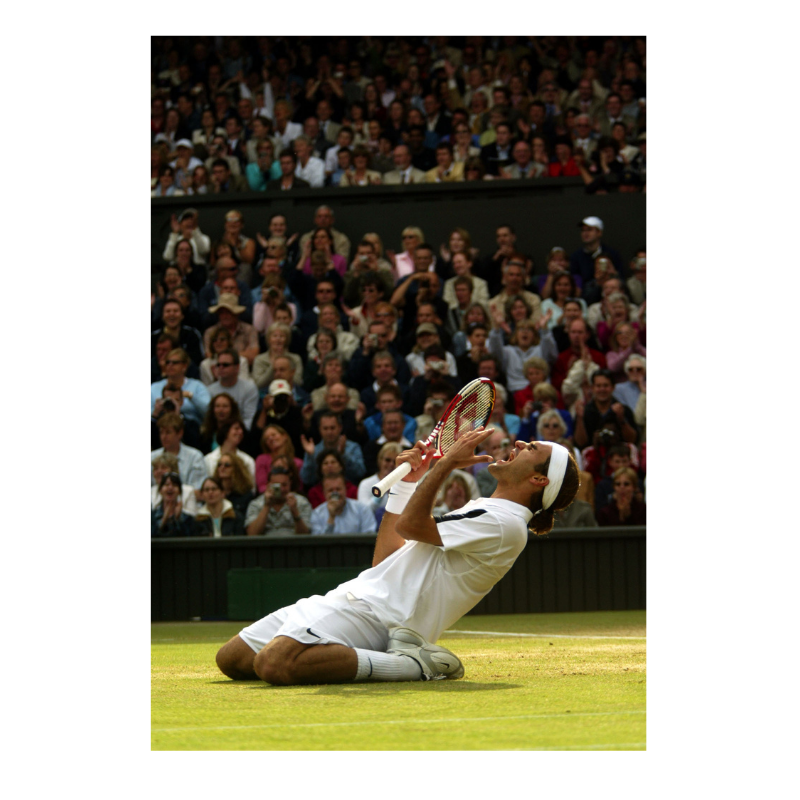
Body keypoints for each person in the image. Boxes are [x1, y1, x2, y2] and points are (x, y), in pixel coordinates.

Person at [215, 427, 580, 684]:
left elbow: (411, 525)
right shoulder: (488, 510)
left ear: (539, 480)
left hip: (386, 618)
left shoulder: (505, 523)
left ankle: (411, 665)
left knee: (275, 664)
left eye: (531, 448)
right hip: (357, 596)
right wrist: (408, 482)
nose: (518, 442)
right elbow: (389, 554)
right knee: (231, 659)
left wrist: (441, 467)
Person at [573, 370, 639, 450]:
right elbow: (580, 443)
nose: (602, 389)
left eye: (606, 385)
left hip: (619, 457)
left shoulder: (624, 410)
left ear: (613, 387)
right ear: (592, 388)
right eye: (598, 386)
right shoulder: (584, 411)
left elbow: (632, 440)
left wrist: (621, 419)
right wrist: (580, 418)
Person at [299, 411, 366, 488]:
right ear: (320, 429)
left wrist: (343, 454)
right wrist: (310, 456)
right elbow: (306, 479)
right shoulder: (314, 450)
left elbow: (360, 473)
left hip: (348, 490)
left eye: (332, 428)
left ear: (340, 428)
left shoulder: (353, 447)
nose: (329, 432)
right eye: (325, 428)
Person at [245, 465, 312, 537]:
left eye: (284, 485)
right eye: (277, 485)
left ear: (290, 484)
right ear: (268, 485)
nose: (281, 489)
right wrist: (266, 506)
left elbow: (305, 536)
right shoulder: (256, 504)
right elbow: (252, 534)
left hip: (293, 545)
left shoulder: (301, 502)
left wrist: (295, 511)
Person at [150, 347, 210, 428]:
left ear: (184, 366)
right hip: (159, 428)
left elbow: (209, 412)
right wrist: (156, 411)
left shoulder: (197, 386)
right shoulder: (154, 388)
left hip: (190, 428)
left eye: (175, 363)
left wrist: (191, 396)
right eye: (168, 362)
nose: (170, 365)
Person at [149, 413, 208, 492]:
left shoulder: (195, 457)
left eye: (168, 432)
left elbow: (198, 490)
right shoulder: (152, 457)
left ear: (180, 433)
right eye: (161, 432)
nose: (163, 437)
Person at [205, 348, 259, 430]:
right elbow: (209, 419)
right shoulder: (210, 390)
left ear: (237, 368)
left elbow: (249, 419)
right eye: (218, 365)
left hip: (241, 433)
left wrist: (234, 433)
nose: (221, 368)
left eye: (225, 365)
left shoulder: (249, 388)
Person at [310, 474, 378, 536]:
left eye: (338, 489)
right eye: (330, 490)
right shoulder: (317, 514)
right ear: (324, 493)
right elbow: (318, 544)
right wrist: (331, 518)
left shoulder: (362, 510)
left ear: (345, 490)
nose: (335, 493)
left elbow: (369, 538)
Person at [570, 216, 625, 288]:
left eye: (589, 230)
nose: (585, 233)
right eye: (583, 230)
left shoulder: (612, 254)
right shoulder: (576, 257)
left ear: (599, 233)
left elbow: (622, 278)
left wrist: (613, 274)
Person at [254, 422, 305, 495]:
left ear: (284, 436)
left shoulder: (298, 463)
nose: (271, 438)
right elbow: (262, 487)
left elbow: (299, 487)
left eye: (273, 435)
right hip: (269, 497)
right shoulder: (262, 459)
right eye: (267, 438)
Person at [252, 322, 304, 391]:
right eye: (275, 336)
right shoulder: (259, 359)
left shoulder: (295, 359)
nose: (278, 339)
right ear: (269, 339)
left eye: (282, 336)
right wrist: (273, 365)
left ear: (287, 339)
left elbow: (298, 383)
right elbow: (258, 384)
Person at [204, 419, 257, 486]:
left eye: (241, 429)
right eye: (236, 429)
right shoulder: (208, 460)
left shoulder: (247, 460)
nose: (240, 432)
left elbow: (252, 487)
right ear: (226, 431)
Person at [150, 473, 198, 537]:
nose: (170, 487)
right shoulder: (152, 516)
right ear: (160, 490)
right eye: (166, 485)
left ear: (179, 491)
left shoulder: (188, 519)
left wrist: (177, 519)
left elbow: (188, 539)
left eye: (174, 485)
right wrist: (164, 520)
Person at [213, 453, 255, 519]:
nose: (222, 467)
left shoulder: (246, 495)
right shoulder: (213, 492)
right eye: (219, 465)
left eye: (227, 465)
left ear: (236, 469)